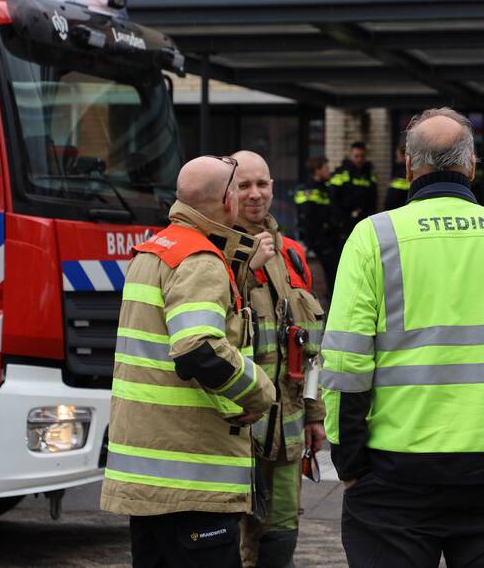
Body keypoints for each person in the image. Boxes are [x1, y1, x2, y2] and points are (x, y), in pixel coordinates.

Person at [321, 108, 484, 568]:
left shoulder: (372, 238)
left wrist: (351, 463)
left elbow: (345, 363)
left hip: (393, 471)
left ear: (407, 167)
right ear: (472, 165)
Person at [101, 155, 276, 568]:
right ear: (227, 201)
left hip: (150, 474)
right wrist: (257, 394)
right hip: (192, 475)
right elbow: (198, 348)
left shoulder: (154, 250)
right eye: (237, 188)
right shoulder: (199, 260)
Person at [232, 151, 327, 568]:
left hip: (287, 426)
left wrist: (314, 414)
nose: (255, 194)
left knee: (284, 527)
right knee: (237, 537)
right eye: (244, 185)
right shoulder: (213, 250)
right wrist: (245, 268)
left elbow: (307, 345)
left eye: (263, 184)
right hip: (237, 427)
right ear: (227, 191)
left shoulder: (290, 255)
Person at [294, 156, 339, 296]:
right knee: (327, 274)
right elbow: (307, 218)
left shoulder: (325, 188)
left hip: (329, 240)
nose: (328, 171)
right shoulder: (308, 190)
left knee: (333, 274)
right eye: (325, 168)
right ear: (317, 170)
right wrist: (316, 241)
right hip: (319, 242)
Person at [329, 141, 377, 241]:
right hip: (345, 222)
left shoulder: (369, 175)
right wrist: (341, 219)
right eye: (356, 156)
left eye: (362, 156)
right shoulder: (341, 173)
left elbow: (373, 198)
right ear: (351, 155)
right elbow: (333, 197)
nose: (359, 159)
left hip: (364, 220)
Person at [383, 142, 410, 211]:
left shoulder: (399, 172)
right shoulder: (414, 172)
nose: (396, 160)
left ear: (404, 156)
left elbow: (389, 204)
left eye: (397, 157)